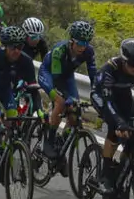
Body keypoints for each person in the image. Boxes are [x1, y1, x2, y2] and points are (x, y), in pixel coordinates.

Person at [90, 37, 134, 199]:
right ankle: (105, 174)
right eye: (131, 64)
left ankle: (120, 178)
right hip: (102, 96)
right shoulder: (110, 68)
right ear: (123, 60)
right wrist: (119, 122)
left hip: (123, 95)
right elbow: (107, 103)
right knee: (116, 128)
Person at [0, 25, 41, 177]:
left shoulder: (25, 60)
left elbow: (33, 89)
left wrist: (40, 111)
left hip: (5, 89)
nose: (16, 50)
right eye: (12, 47)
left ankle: (4, 153)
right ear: (5, 46)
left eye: (20, 46)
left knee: (12, 120)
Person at [38, 20, 98, 160]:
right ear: (71, 41)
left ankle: (62, 144)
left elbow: (93, 75)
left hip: (67, 76)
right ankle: (49, 141)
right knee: (60, 103)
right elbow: (57, 79)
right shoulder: (60, 50)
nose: (83, 47)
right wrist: (66, 98)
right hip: (49, 75)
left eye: (86, 43)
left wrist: (97, 93)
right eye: (80, 43)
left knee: (74, 113)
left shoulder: (88, 51)